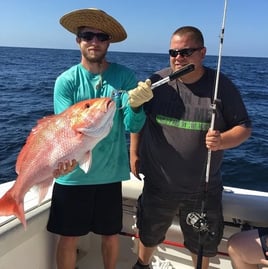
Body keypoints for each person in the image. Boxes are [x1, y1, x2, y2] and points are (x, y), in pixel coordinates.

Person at [129, 26, 252, 269]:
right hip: (158, 182)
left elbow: (244, 127)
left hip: (203, 189)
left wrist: (223, 141)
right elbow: (138, 119)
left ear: (203, 52)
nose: (178, 58)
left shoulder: (221, 87)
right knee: (149, 231)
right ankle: (142, 265)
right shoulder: (157, 83)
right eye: (173, 52)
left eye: (185, 52)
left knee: (201, 243)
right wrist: (133, 152)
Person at [46, 8, 152, 269]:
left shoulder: (124, 77)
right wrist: (63, 161)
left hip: (109, 175)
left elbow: (131, 124)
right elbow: (65, 130)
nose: (94, 41)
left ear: (108, 42)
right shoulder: (66, 81)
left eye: (101, 36)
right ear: (78, 40)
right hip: (72, 176)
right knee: (68, 239)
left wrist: (137, 107)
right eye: (87, 35)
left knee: (110, 236)